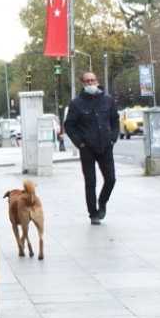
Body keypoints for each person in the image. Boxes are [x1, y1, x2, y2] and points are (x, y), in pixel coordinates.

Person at [64, 71, 118, 226]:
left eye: (92, 80)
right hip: (87, 148)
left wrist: (113, 138)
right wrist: (80, 143)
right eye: (87, 81)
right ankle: (93, 213)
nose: (90, 83)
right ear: (83, 83)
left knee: (111, 179)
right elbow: (69, 125)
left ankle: (102, 202)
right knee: (90, 182)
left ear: (97, 81)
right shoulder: (76, 103)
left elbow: (115, 120)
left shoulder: (107, 100)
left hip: (105, 146)